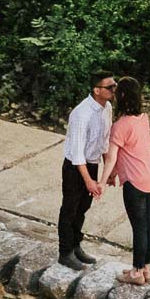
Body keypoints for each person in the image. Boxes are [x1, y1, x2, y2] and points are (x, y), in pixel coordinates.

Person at [100, 77, 150, 285]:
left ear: (123, 96)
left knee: (139, 227)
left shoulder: (120, 126)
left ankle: (136, 272)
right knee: (149, 224)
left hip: (135, 182)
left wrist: (103, 180)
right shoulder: (144, 119)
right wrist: (113, 174)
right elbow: (133, 150)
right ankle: (146, 268)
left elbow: (111, 157)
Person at [56, 71, 116, 269]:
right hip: (75, 166)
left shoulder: (107, 107)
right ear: (97, 90)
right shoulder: (82, 114)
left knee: (83, 207)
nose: (114, 90)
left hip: (91, 163)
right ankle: (65, 252)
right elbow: (77, 152)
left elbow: (104, 141)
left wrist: (108, 170)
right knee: (70, 208)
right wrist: (89, 181)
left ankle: (75, 245)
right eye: (110, 87)